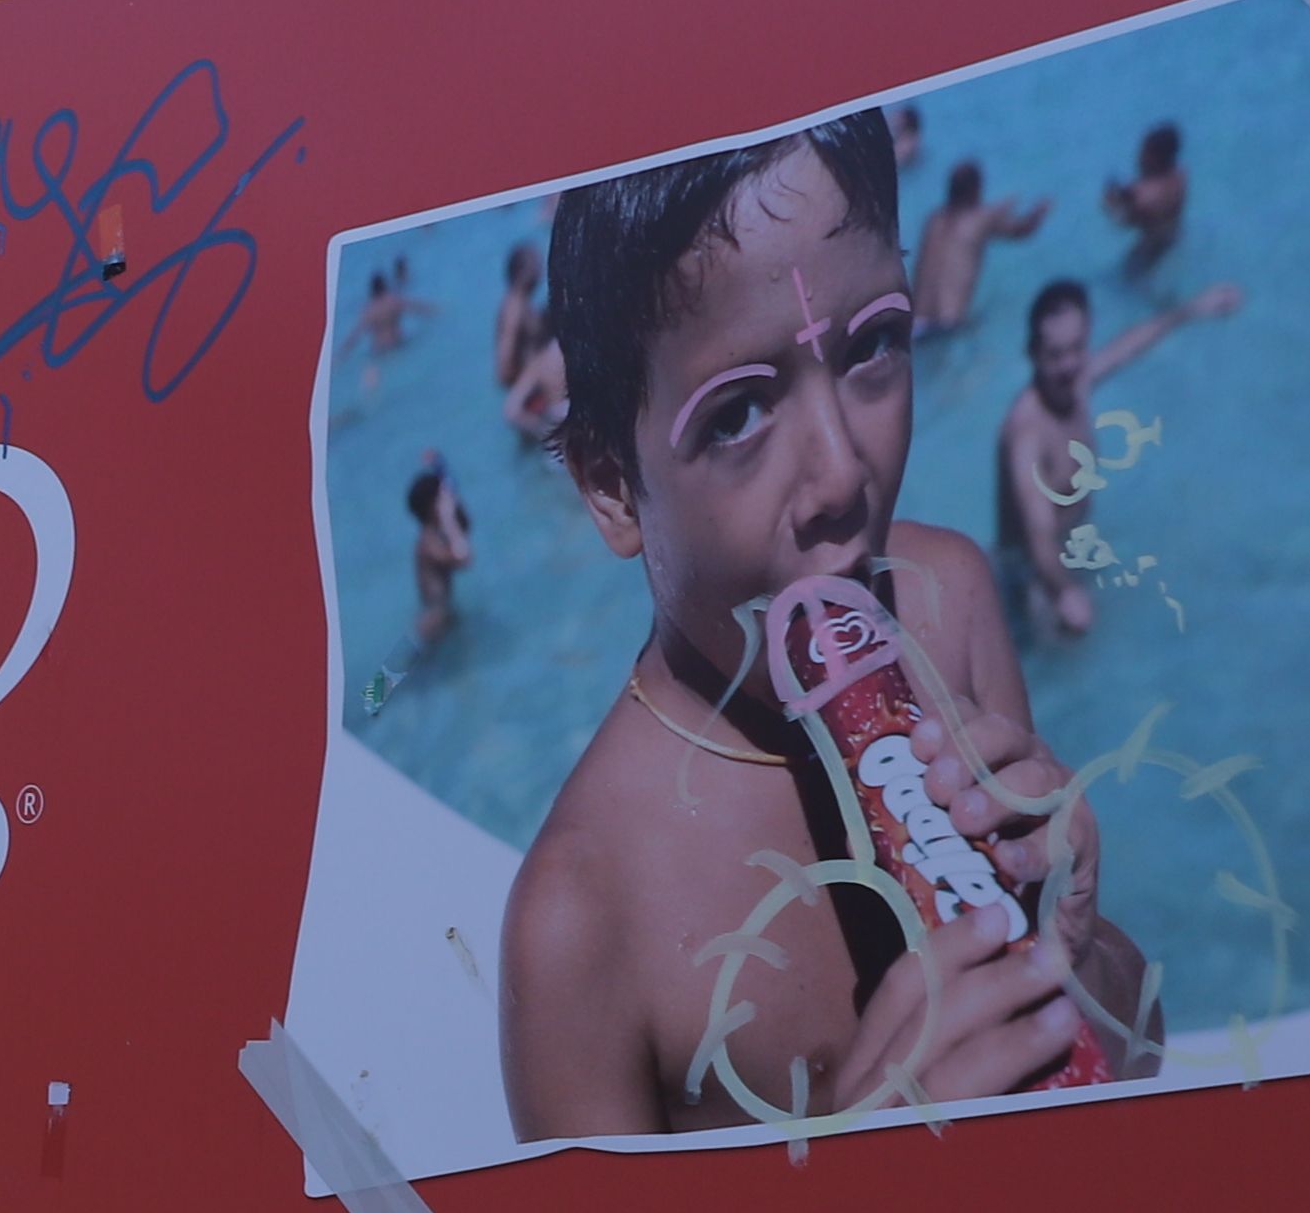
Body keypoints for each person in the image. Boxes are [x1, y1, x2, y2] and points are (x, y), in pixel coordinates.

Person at [497, 114, 1146, 1143]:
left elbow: (1141, 1044)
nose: (841, 472)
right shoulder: (584, 922)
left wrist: (1079, 945)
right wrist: (848, 1186)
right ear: (612, 484)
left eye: (873, 346)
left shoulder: (950, 599)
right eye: (737, 415)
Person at [992, 277, 1244, 642]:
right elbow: (1039, 537)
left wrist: (1189, 310)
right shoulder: (1027, 433)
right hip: (1033, 578)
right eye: (1055, 354)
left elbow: (1127, 346)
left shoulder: (1075, 380)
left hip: (1072, 553)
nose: (1068, 365)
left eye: (1077, 348)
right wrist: (1064, 592)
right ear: (1032, 353)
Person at [913, 158, 1052, 340]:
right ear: (976, 190)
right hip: (949, 326)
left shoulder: (933, 220)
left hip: (913, 323)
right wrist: (1039, 212)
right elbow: (1022, 230)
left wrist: (1002, 207)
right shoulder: (981, 219)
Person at [493, 236, 572, 445]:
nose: (540, 270)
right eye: (535, 264)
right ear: (522, 272)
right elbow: (504, 366)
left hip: (536, 394)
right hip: (533, 399)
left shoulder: (521, 305)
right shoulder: (515, 309)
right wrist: (533, 377)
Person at [409, 454, 479, 655]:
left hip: (443, 621)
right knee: (381, 686)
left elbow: (465, 527)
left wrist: (443, 472)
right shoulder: (429, 543)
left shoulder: (436, 535)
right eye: (443, 497)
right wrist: (448, 518)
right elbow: (465, 559)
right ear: (433, 506)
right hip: (431, 628)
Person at [1101, 123, 1192, 275]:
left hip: (1151, 248)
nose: (1138, 156)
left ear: (1154, 158)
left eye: (1143, 152)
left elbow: (1122, 222)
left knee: (1122, 281)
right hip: (1174, 236)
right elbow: (1151, 190)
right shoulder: (1181, 176)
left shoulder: (1144, 199)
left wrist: (1109, 204)